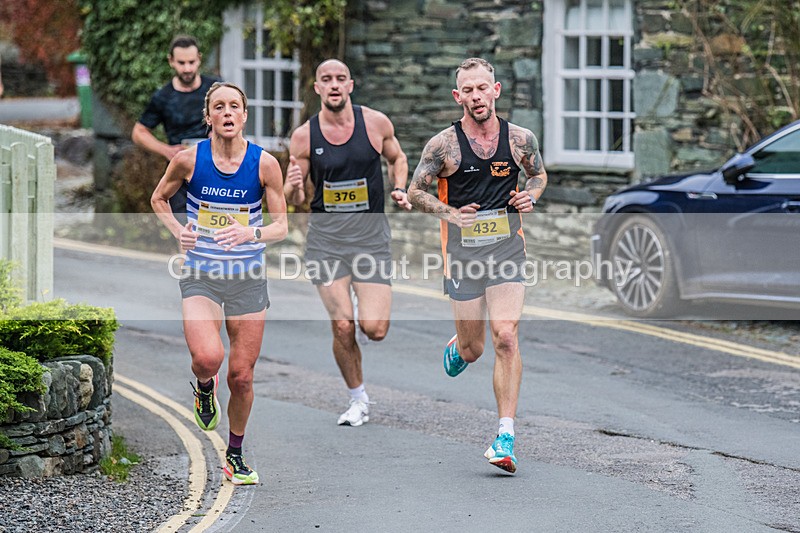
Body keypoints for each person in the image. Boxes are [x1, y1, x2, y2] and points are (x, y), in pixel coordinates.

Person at [408, 58, 547, 474]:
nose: (475, 96)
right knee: (474, 349)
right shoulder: (443, 146)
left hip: (507, 248)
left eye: (482, 88)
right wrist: (449, 212)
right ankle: (458, 346)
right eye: (467, 90)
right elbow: (416, 192)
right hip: (464, 255)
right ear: (458, 96)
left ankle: (505, 435)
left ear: (496, 90)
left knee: (506, 335)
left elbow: (538, 176)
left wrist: (530, 196)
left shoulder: (521, 138)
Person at [151, 82, 288, 485]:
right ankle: (204, 386)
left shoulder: (265, 165)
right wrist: (178, 231)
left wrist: (253, 234)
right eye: (218, 107)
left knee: (242, 375)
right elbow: (159, 199)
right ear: (207, 117)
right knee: (209, 358)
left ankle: (235, 455)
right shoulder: (189, 160)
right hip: (202, 276)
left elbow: (281, 224)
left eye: (235, 106)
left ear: (245, 116)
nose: (227, 113)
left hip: (247, 278)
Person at [284, 59, 410, 427]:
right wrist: (292, 182)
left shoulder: (375, 123)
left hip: (370, 240)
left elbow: (397, 157)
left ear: (350, 85)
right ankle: (358, 400)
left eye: (340, 79)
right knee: (343, 327)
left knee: (376, 329)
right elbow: (295, 199)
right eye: (327, 79)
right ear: (318, 88)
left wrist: (399, 187)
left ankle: (360, 303)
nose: (334, 85)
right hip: (326, 244)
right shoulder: (304, 137)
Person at [135, 35, 221, 219]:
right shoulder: (163, 96)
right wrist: (166, 150)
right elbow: (139, 132)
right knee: (185, 228)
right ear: (171, 61)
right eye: (181, 63)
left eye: (191, 62)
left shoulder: (215, 88)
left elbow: (234, 118)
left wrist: (218, 135)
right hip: (180, 171)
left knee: (219, 229)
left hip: (216, 167)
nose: (187, 68)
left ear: (199, 58)